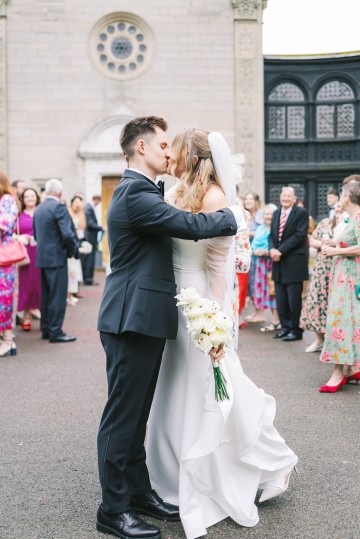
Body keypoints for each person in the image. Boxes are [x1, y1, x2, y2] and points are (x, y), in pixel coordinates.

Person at [96, 117, 246, 539]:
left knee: (138, 415)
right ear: (140, 148)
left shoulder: (145, 190)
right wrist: (234, 215)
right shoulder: (134, 192)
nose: (169, 152)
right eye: (163, 144)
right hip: (131, 319)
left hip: (144, 317)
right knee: (122, 418)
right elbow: (190, 226)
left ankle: (139, 494)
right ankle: (112, 511)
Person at [146, 128, 297, 539]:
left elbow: (218, 267)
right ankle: (165, 466)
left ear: (191, 157)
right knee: (173, 381)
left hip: (197, 299)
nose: (169, 157)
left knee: (208, 382)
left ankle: (246, 464)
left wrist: (213, 321)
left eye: (174, 151)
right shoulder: (174, 192)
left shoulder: (214, 198)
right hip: (171, 296)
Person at [318, 181, 360, 393]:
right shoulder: (352, 218)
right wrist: (333, 245)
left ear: (347, 198)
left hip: (351, 280)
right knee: (346, 322)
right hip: (344, 276)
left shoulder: (359, 217)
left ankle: (338, 373)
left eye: (342, 195)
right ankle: (351, 368)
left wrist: (335, 252)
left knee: (341, 322)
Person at [33, 179, 79, 343]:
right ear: (59, 193)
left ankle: (46, 329)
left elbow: (36, 235)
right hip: (57, 257)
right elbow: (67, 234)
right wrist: (73, 250)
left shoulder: (38, 209)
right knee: (58, 296)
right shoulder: (59, 207)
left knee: (46, 296)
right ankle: (55, 331)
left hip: (42, 257)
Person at [269, 187, 309, 342]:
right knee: (281, 298)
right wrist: (272, 248)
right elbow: (272, 234)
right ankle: (285, 328)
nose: (285, 198)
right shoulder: (276, 213)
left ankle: (295, 330)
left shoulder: (301, 213)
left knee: (294, 300)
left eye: (288, 196)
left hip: (294, 262)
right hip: (278, 263)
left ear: (294, 198)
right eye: (283, 195)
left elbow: (300, 235)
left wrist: (280, 250)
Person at [249, 203, 280, 331]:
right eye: (266, 214)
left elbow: (277, 246)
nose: (268, 216)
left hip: (271, 264)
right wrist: (256, 250)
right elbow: (254, 244)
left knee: (273, 291)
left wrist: (266, 252)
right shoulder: (261, 228)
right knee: (264, 292)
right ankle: (273, 319)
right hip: (260, 264)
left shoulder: (277, 228)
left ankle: (276, 320)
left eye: (270, 214)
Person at [0, 172, 19, 357]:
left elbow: (4, 224)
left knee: (4, 298)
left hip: (3, 259)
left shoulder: (7, 199)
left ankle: (8, 340)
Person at [17, 187, 41, 331]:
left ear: (36, 198)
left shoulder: (41, 212)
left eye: (32, 196)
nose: (30, 198)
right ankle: (26, 314)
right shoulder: (19, 215)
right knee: (26, 284)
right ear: (23, 199)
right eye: (27, 196)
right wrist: (20, 238)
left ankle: (37, 309)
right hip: (25, 255)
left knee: (39, 284)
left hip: (40, 253)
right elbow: (10, 234)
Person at [243, 191, 264, 323]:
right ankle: (256, 311)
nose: (248, 201)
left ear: (256, 201)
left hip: (257, 252)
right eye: (247, 199)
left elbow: (265, 230)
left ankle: (260, 312)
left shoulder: (260, 216)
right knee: (250, 282)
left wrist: (248, 233)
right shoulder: (244, 215)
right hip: (246, 251)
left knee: (257, 281)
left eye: (251, 199)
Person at [81, 195, 104, 285]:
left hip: (91, 237)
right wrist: (100, 228)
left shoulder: (90, 208)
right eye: (99, 201)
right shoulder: (89, 208)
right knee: (90, 259)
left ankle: (89, 278)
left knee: (90, 258)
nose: (99, 204)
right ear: (96, 199)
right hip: (90, 237)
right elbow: (90, 224)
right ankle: (88, 279)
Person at [67, 195, 86, 305]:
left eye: (79, 202)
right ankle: (68, 295)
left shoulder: (80, 213)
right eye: (76, 202)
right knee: (70, 270)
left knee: (74, 271)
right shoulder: (68, 212)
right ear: (72, 202)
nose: (77, 204)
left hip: (77, 242)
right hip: (70, 244)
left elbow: (83, 227)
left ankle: (71, 294)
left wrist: (81, 211)